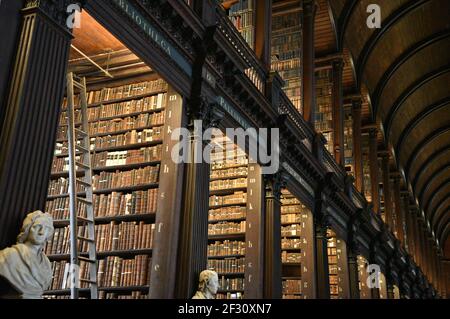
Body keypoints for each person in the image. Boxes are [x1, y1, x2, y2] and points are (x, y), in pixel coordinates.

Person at [0, 211, 54, 299]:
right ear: (28, 228)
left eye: (47, 228)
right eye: (37, 226)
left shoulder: (46, 263)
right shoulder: (9, 256)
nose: (42, 232)